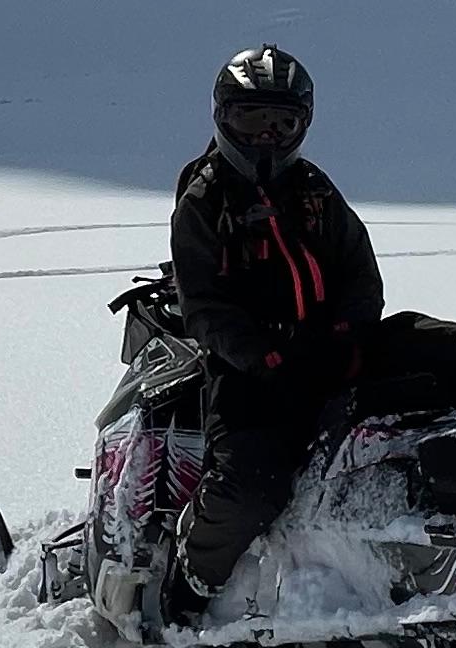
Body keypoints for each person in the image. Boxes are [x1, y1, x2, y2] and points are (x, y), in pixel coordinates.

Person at [163, 44, 383, 616]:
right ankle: (191, 583)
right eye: (251, 120)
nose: (266, 137)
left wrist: (346, 335)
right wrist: (266, 358)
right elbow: (204, 305)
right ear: (223, 117)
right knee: (251, 485)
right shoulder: (206, 200)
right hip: (251, 369)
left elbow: (360, 270)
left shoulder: (313, 189)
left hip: (329, 349)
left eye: (280, 122)